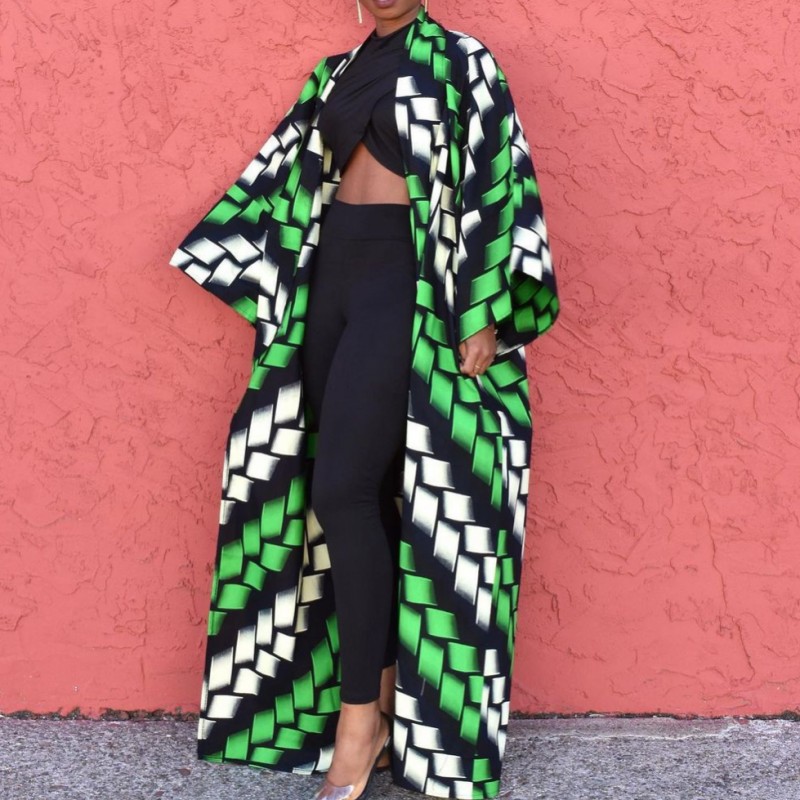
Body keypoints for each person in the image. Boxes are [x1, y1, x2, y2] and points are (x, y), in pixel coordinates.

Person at [167, 1, 560, 799]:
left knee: (342, 489)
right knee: (366, 495)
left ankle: (358, 728)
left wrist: (482, 310)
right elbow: (290, 174)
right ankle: (380, 709)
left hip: (403, 282)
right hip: (330, 280)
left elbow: (496, 175)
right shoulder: (337, 72)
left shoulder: (462, 61)